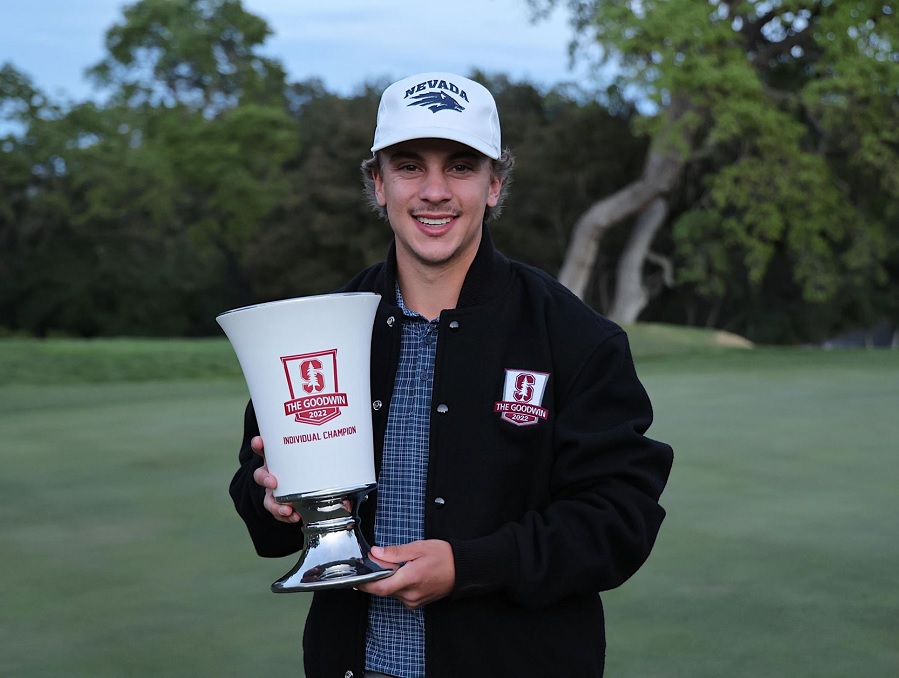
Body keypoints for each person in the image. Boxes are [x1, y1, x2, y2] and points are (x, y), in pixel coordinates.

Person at [229, 72, 673, 678]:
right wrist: (273, 498)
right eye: (409, 166)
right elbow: (260, 502)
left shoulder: (575, 338)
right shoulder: (317, 332)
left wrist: (472, 565)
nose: (434, 191)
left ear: (494, 184)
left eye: (460, 167)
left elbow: (620, 518)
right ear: (378, 184)